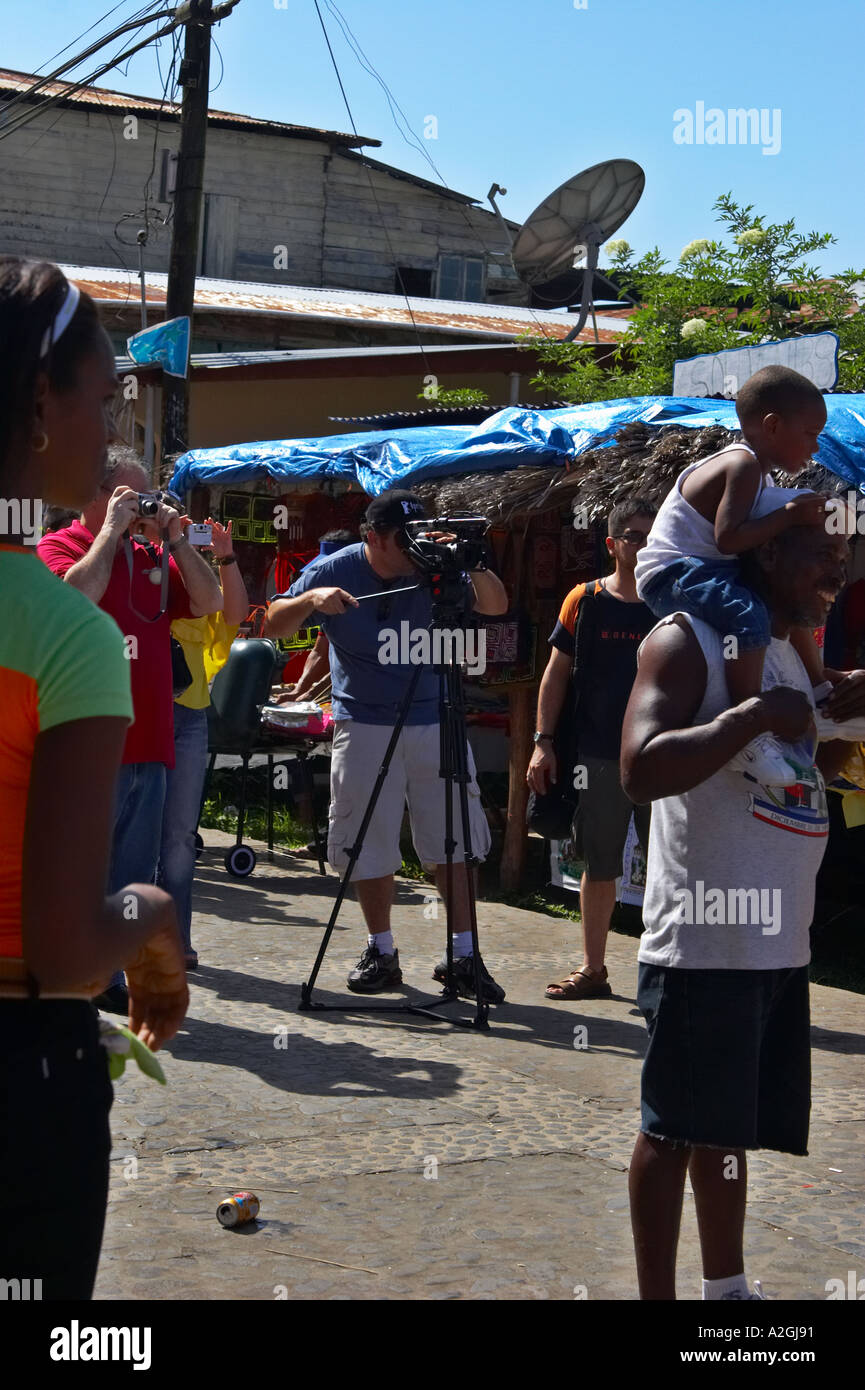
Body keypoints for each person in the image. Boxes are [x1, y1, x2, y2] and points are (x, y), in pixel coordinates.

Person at [0, 256, 187, 1299]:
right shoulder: (66, 634)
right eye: (105, 398)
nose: (113, 433)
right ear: (40, 401)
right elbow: (70, 945)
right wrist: (155, 914)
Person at [620, 499, 864, 1300]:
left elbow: (794, 781)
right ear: (763, 550)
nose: (840, 571)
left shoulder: (787, 655)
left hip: (775, 942)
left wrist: (839, 737)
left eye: (847, 552)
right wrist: (755, 714)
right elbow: (641, 768)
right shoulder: (685, 639)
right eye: (824, 552)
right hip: (705, 939)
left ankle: (725, 1293)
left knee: (728, 1132)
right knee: (672, 1130)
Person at [264, 488, 510, 1001]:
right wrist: (311, 600)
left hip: (435, 717)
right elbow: (274, 621)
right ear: (372, 538)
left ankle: (464, 954)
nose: (413, 547)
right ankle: (381, 950)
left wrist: (470, 560)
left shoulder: (434, 564)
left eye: (418, 534)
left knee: (455, 839)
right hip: (365, 721)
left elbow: (496, 606)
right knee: (364, 839)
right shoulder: (340, 567)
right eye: (403, 538)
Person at [38, 445, 222, 1012]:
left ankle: (111, 977)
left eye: (148, 495)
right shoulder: (60, 545)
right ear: (95, 494)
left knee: (132, 870)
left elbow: (210, 599)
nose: (144, 505)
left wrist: (173, 540)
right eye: (129, 494)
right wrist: (111, 531)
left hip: (150, 739)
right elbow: (73, 597)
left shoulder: (151, 554)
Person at [635, 365, 830, 787]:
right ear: (773, 426)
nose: (814, 449)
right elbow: (728, 539)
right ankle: (750, 731)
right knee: (748, 616)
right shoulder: (741, 465)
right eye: (811, 434)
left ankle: (821, 685)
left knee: (783, 609)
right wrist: (790, 514)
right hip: (673, 571)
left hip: (706, 567)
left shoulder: (757, 471)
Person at [527, 498, 657, 1001]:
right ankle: (594, 970)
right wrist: (542, 743)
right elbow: (555, 674)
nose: (642, 544)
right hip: (598, 755)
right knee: (599, 865)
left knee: (667, 870)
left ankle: (665, 976)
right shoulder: (584, 599)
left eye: (650, 534)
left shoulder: (673, 600)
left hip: (662, 755)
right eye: (632, 535)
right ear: (612, 544)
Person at [157, 517, 250, 969]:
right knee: (130, 832)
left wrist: (225, 554)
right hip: (140, 708)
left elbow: (234, 613)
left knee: (178, 836)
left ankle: (177, 937)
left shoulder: (189, 565)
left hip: (189, 714)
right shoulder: (136, 559)